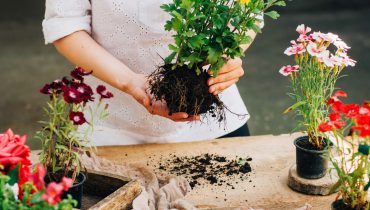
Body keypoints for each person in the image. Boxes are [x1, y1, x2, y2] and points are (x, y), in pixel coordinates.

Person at [42, 0, 261, 146]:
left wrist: (229, 53)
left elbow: (250, 9)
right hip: (110, 130)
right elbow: (65, 25)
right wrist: (131, 82)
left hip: (213, 124)